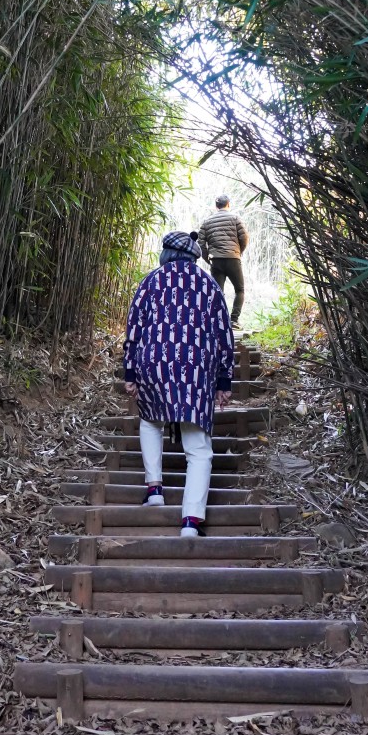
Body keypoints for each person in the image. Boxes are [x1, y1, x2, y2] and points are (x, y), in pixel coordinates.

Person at [123, 230, 235, 537]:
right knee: (198, 446)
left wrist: (130, 373)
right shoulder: (209, 285)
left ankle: (154, 488)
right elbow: (225, 334)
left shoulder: (150, 282)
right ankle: (191, 521)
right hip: (197, 369)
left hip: (154, 362)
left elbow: (134, 329)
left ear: (167, 253)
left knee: (150, 422)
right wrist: (224, 380)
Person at [198, 194, 249, 330]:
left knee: (218, 292)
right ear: (228, 204)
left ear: (216, 206)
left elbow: (201, 243)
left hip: (216, 260)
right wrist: (238, 252)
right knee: (240, 290)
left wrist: (206, 258)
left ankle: (220, 321)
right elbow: (244, 237)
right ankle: (234, 320)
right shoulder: (235, 218)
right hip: (233, 259)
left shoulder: (206, 221)